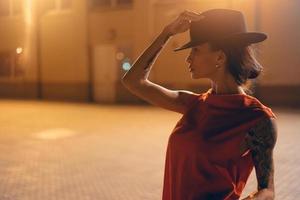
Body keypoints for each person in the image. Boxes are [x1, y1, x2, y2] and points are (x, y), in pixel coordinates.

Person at [122, 8, 277, 200]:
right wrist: (166, 33)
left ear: (220, 57)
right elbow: (133, 81)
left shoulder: (257, 118)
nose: (188, 58)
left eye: (196, 50)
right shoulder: (193, 104)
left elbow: (267, 191)